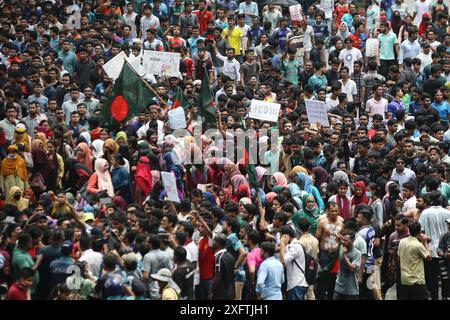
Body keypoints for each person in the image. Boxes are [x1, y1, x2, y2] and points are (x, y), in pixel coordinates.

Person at [398, 221, 432, 300]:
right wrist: (425, 241)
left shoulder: (402, 242)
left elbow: (399, 257)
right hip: (417, 280)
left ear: (409, 230)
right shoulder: (418, 245)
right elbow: (429, 257)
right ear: (420, 232)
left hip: (404, 279)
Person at [279, 225, 308, 300]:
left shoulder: (296, 246)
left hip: (297, 284)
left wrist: (282, 244)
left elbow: (283, 260)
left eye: (281, 236)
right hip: (294, 284)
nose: (280, 239)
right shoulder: (290, 246)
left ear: (286, 236)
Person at [334, 231, 361, 300]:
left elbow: (352, 268)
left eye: (345, 240)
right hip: (339, 287)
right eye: (342, 239)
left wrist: (345, 255)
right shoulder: (341, 247)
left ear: (352, 240)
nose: (343, 242)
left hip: (351, 290)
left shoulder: (357, 253)